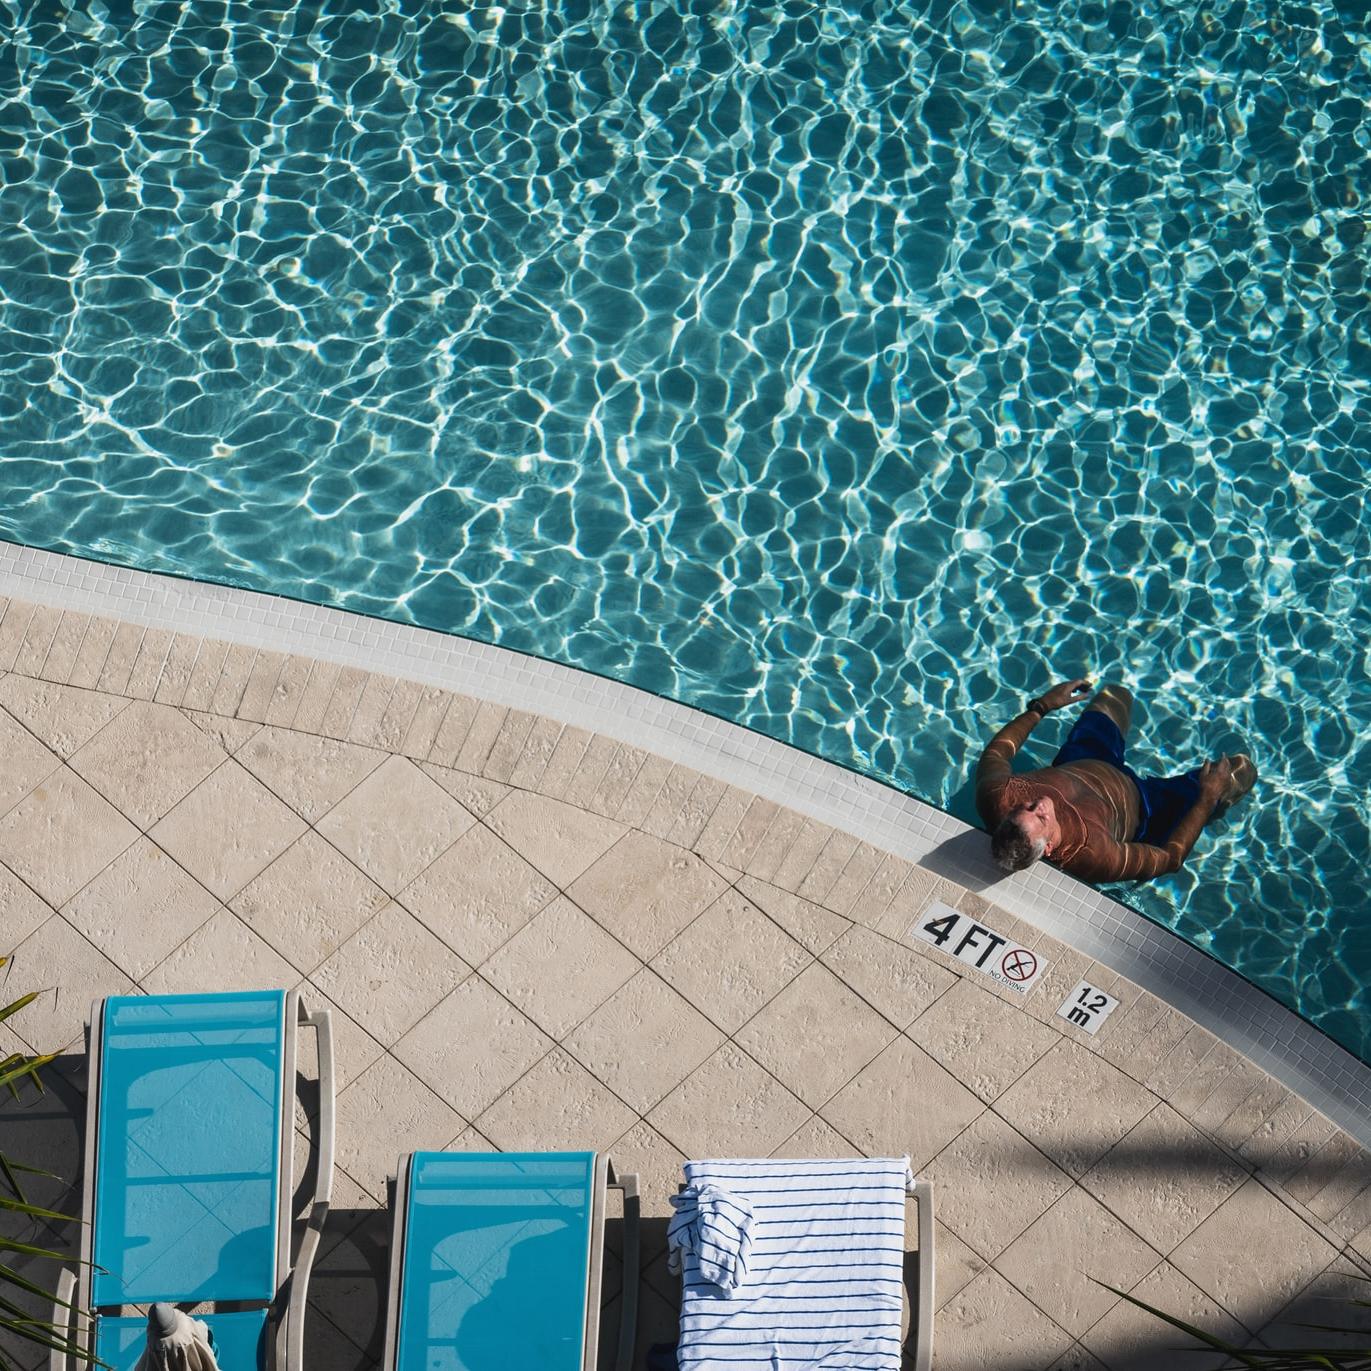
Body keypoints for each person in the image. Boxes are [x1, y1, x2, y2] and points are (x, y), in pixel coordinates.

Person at [975, 677, 1257, 882]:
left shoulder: (999, 795)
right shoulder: (1094, 854)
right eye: (1040, 818)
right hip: (1147, 807)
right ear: (1048, 847)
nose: (1035, 804)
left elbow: (998, 752)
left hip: (1085, 759)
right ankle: (1215, 808)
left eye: (1022, 809)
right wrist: (1207, 799)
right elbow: (1171, 860)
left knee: (1115, 694)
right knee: (1241, 772)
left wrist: (1043, 706)